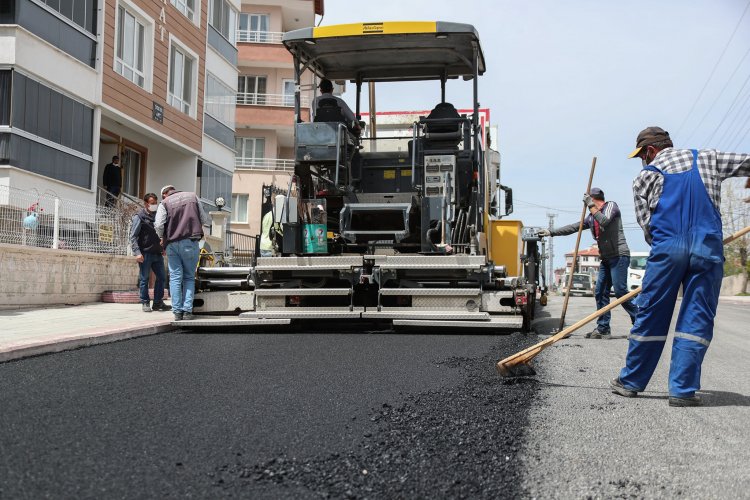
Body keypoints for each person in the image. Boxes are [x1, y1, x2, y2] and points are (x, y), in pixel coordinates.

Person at [611, 126, 750, 407]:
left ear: (650, 151)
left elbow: (647, 228)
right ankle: (682, 390)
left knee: (651, 314)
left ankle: (631, 382)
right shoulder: (709, 158)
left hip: (667, 250)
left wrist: (670, 248)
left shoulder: (645, 177)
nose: (643, 161)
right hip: (706, 250)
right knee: (696, 317)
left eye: (642, 155)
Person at [538, 187, 637, 338]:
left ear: (594, 199)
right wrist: (551, 232)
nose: (587, 206)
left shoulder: (611, 206)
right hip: (606, 259)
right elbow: (573, 227)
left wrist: (590, 205)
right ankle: (603, 328)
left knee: (620, 291)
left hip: (619, 256)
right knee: (600, 292)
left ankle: (641, 323)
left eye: (589, 202)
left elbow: (604, 221)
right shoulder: (591, 218)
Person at [154, 184, 209, 321]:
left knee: (175, 278)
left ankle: (177, 312)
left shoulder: (164, 203)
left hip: (172, 244)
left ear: (164, 194)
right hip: (190, 242)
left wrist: (161, 237)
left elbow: (159, 225)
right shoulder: (193, 197)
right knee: (189, 277)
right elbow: (204, 219)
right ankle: (187, 311)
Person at [129, 193, 169, 313]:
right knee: (144, 279)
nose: (154, 205)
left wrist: (164, 246)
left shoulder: (158, 216)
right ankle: (145, 302)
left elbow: (162, 232)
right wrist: (137, 252)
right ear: (146, 204)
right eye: (152, 203)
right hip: (145, 254)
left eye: (155, 203)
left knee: (162, 278)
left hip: (157, 253)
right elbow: (133, 237)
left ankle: (157, 302)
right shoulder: (139, 217)